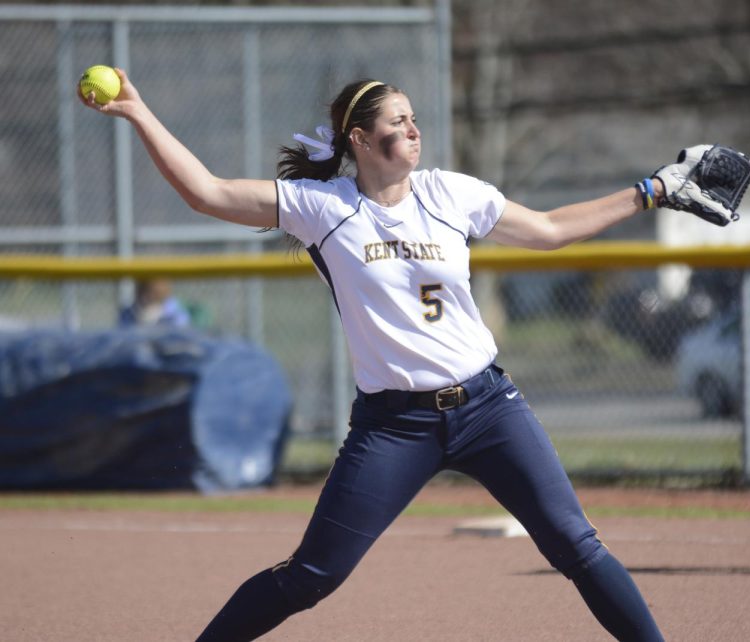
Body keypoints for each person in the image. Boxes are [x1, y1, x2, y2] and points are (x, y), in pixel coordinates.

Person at [78, 70, 690, 641]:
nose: (414, 129)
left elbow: (551, 230)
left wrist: (653, 190)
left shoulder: (450, 193)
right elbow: (206, 193)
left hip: (489, 407)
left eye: (413, 117)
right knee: (312, 575)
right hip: (395, 425)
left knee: (577, 546)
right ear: (361, 139)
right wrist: (138, 112)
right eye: (398, 121)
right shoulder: (326, 207)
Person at [118, 278, 191, 328]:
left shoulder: (176, 313)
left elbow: (181, 341)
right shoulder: (129, 312)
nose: (145, 296)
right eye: (142, 289)